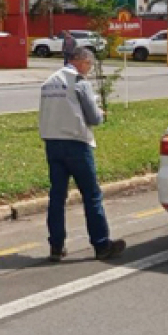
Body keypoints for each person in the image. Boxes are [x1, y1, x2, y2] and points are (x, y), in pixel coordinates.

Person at [39, 47, 126, 262]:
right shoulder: (79, 82)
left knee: (57, 197)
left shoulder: (49, 81)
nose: (90, 69)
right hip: (76, 144)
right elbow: (94, 118)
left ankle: (56, 247)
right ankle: (101, 244)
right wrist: (100, 114)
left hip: (52, 143)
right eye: (89, 64)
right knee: (91, 195)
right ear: (80, 61)